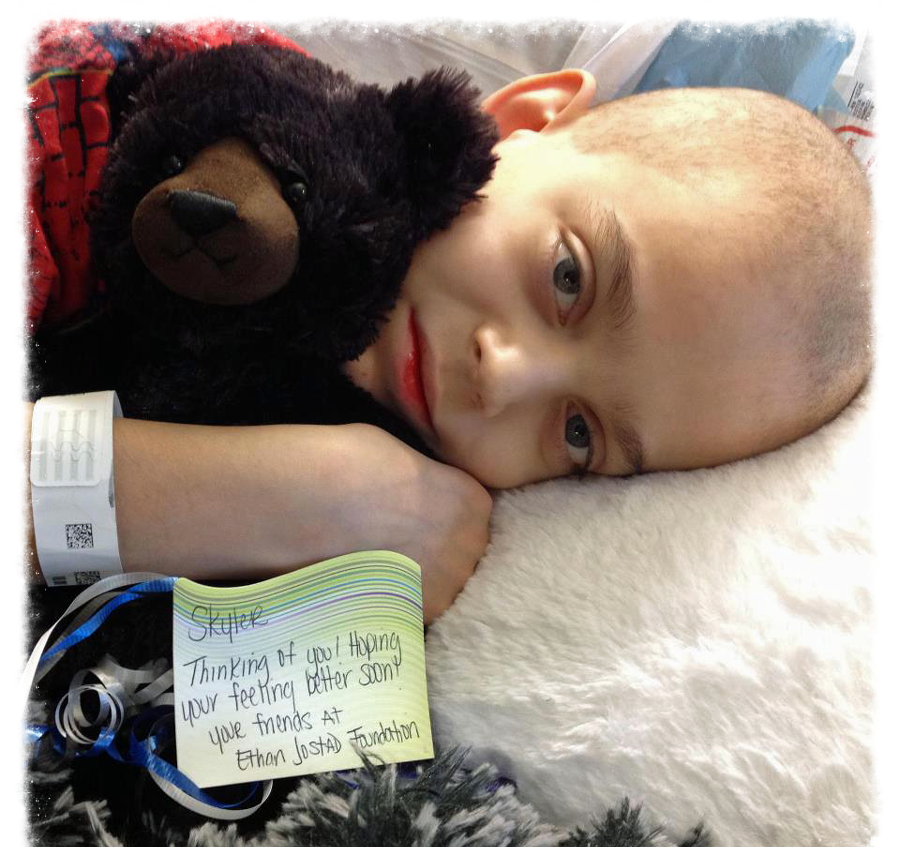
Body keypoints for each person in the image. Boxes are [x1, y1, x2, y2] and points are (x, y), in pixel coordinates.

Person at [24, 68, 873, 623]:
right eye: (567, 277)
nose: (505, 379)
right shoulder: (183, 121)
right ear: (518, 121)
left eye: (579, 432)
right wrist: (299, 498)